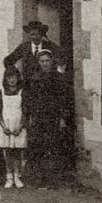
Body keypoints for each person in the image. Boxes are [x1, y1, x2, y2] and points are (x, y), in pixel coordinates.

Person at [25, 48, 75, 188]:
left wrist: (63, 117)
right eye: (42, 61)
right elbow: (29, 99)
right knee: (38, 147)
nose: (45, 64)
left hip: (53, 117)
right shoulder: (34, 78)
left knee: (53, 147)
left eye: (47, 61)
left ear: (51, 61)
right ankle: (39, 179)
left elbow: (64, 99)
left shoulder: (59, 78)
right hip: (38, 117)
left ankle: (53, 181)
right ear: (38, 62)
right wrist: (29, 115)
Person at [0, 68, 28, 189]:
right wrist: (3, 126)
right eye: (9, 77)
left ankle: (17, 176)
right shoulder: (1, 92)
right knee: (8, 152)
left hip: (18, 124)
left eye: (14, 77)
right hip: (6, 125)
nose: (12, 80)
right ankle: (8, 177)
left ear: (18, 78)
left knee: (18, 152)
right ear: (5, 79)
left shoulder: (22, 92)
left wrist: (20, 126)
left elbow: (25, 111)